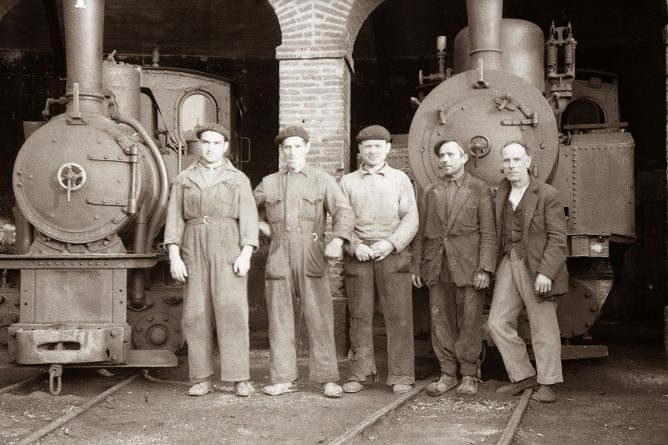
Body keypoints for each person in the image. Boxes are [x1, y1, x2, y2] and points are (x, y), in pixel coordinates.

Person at [253, 125, 354, 398]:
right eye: (287, 147)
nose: (292, 152)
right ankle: (283, 378)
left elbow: (343, 211)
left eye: (298, 146)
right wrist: (262, 227)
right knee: (279, 318)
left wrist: (337, 240)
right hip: (279, 253)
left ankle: (327, 378)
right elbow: (246, 208)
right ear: (281, 151)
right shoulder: (269, 182)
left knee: (319, 317)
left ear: (307, 148)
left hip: (311, 251)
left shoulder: (322, 180)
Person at [164, 123, 259, 397]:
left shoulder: (238, 178)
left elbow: (249, 218)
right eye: (206, 142)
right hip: (193, 244)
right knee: (196, 312)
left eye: (217, 143)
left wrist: (246, 252)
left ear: (225, 146)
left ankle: (239, 377)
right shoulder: (184, 178)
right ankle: (201, 377)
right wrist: (174, 255)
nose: (211, 148)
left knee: (232, 310)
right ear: (199, 145)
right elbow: (174, 218)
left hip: (228, 244)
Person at [411, 140, 497, 396]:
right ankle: (447, 373)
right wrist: (416, 266)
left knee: (470, 321)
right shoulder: (430, 192)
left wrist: (485, 268)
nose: (445, 159)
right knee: (441, 321)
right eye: (442, 155)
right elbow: (420, 234)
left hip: (469, 268)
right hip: (437, 266)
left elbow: (489, 234)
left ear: (464, 158)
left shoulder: (478, 189)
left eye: (450, 154)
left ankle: (469, 374)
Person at [339, 125, 419, 395]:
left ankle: (402, 375)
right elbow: (341, 219)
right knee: (360, 316)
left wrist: (392, 243)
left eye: (378, 146)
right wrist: (355, 245)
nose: (372, 151)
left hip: (392, 254)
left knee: (399, 316)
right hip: (359, 256)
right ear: (360, 150)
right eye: (367, 146)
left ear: (388, 149)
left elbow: (411, 218)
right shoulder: (348, 182)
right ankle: (360, 373)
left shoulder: (400, 179)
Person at [488, 141, 568, 403]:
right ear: (502, 164)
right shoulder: (500, 192)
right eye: (507, 161)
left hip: (537, 266)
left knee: (543, 326)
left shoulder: (547, 194)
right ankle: (523, 375)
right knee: (497, 323)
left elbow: (558, 239)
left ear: (528, 161)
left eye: (516, 160)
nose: (511, 165)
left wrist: (546, 272)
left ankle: (548, 382)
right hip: (509, 261)